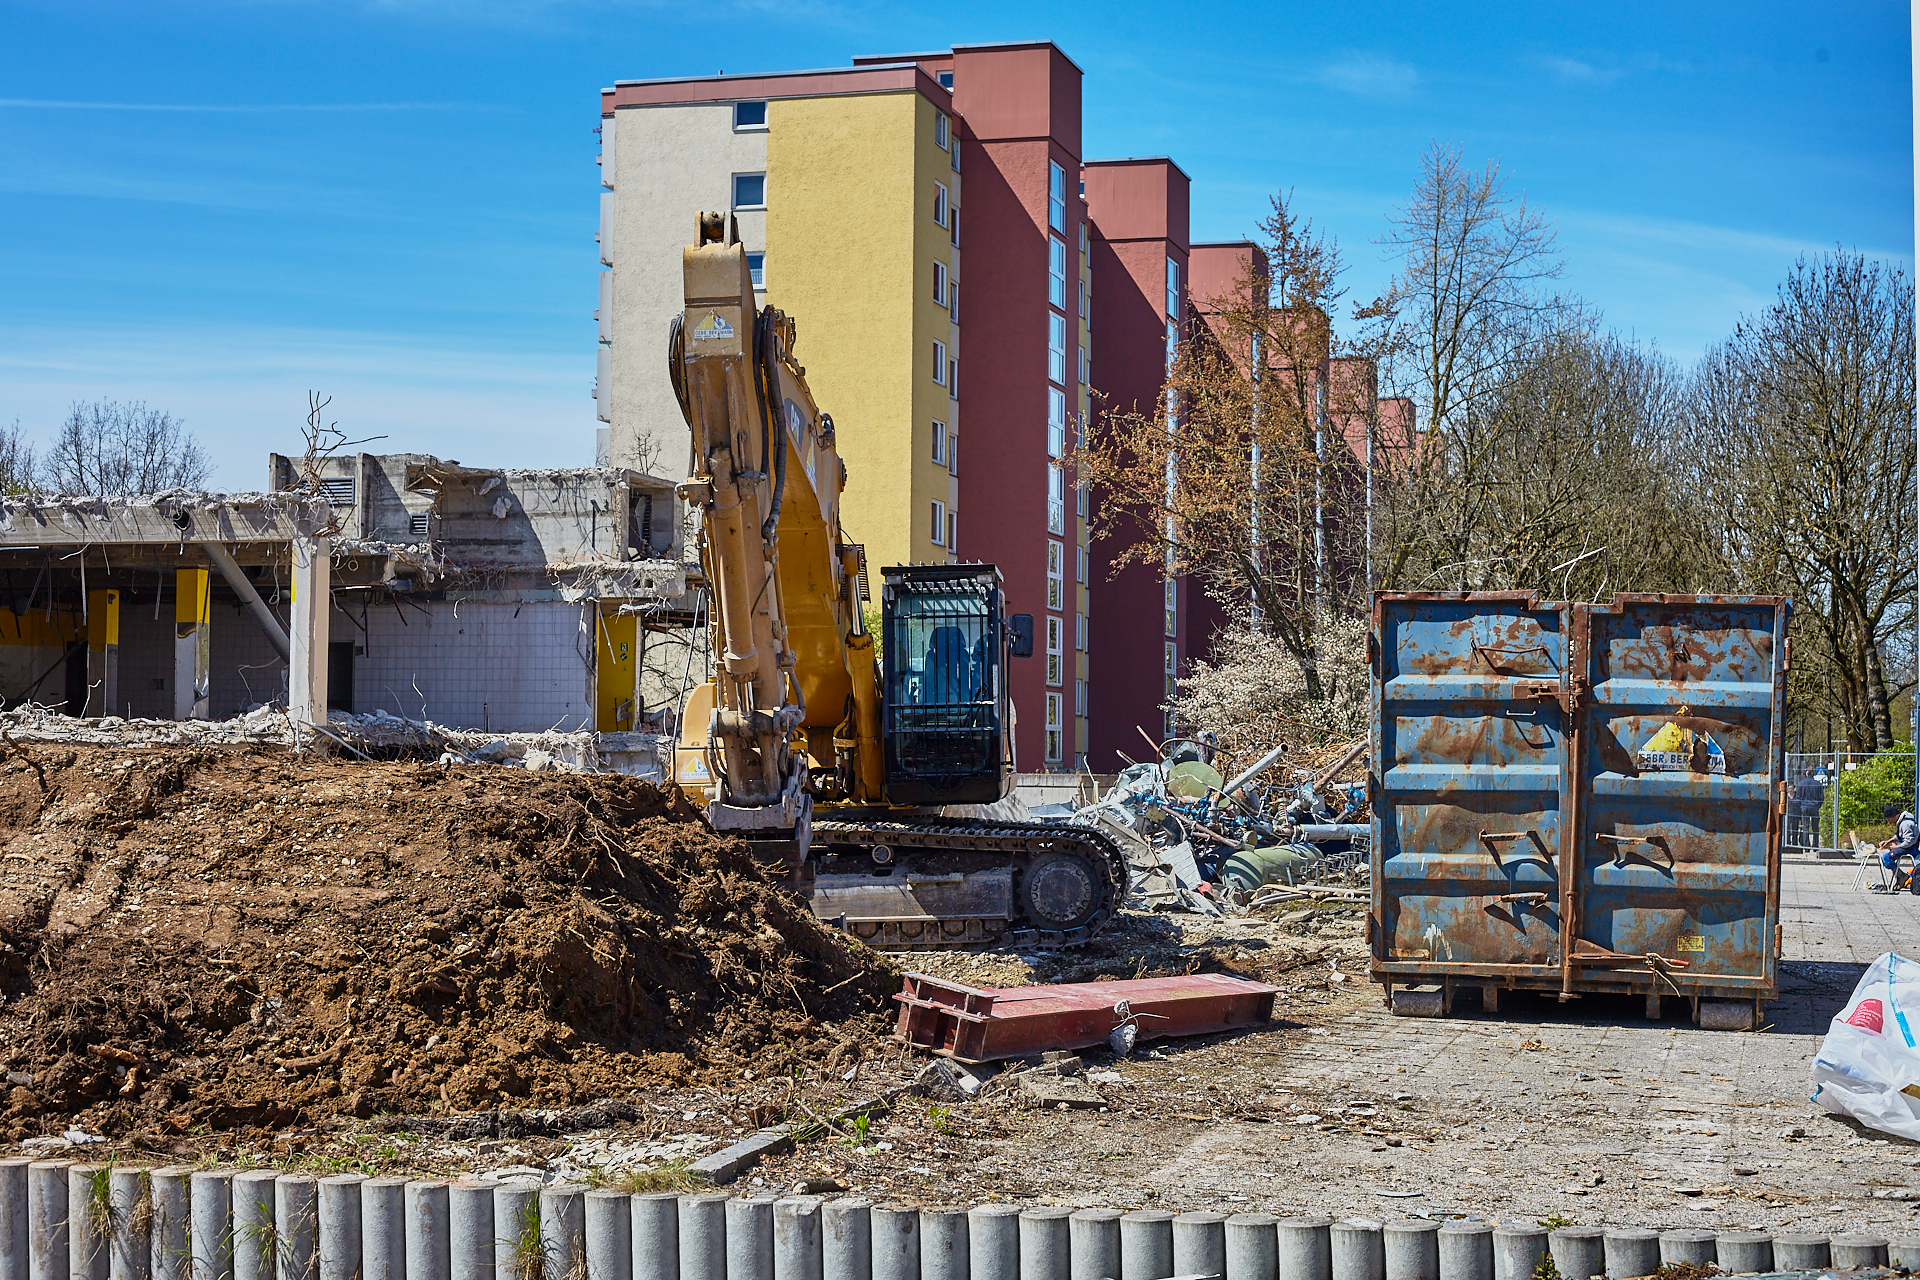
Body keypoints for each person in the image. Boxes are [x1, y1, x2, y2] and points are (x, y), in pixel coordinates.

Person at [1879, 803, 1920, 893]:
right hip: (1906, 845)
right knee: (1886, 855)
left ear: (1892, 817)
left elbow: (1909, 841)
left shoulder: (1906, 824)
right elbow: (1900, 836)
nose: (1888, 821)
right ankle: (1900, 876)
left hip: (1910, 848)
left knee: (1886, 857)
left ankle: (1901, 876)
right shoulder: (1902, 821)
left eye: (1888, 819)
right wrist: (1888, 841)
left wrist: (1896, 846)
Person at [1791, 768, 1827, 849]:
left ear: (1806, 773)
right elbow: (1821, 797)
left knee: (1805, 826)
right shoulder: (1818, 784)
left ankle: (1806, 846)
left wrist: (1801, 805)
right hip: (1814, 807)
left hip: (1804, 807)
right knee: (1815, 827)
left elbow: (1798, 797)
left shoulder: (1801, 784)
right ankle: (1815, 845)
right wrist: (1818, 805)